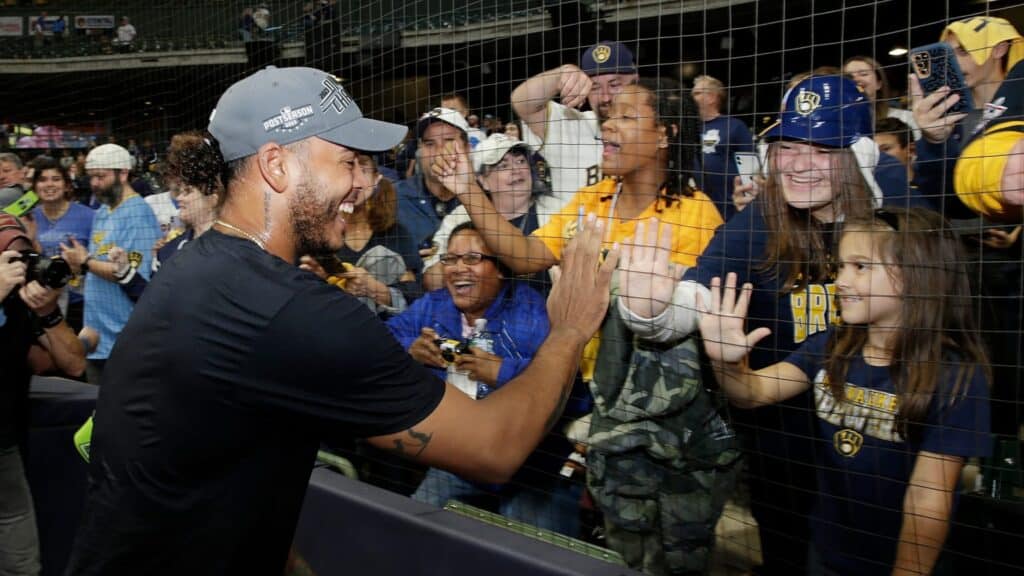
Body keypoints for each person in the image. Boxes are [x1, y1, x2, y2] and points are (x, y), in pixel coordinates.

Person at [64, 65, 617, 575]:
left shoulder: (204, 268)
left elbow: (219, 470)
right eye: (347, 162)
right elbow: (494, 448)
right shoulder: (287, 308)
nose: (365, 183)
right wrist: (569, 329)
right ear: (277, 165)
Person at [617, 74, 925, 575]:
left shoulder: (895, 218)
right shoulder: (757, 222)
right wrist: (650, 310)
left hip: (886, 447)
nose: (799, 165)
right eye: (786, 147)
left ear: (857, 157)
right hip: (785, 448)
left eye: (822, 149)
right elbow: (697, 295)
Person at [700, 207, 991, 575]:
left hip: (902, 562)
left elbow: (929, 499)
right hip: (827, 553)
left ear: (916, 274)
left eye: (861, 266)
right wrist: (727, 363)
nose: (841, 280)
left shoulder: (955, 376)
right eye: (841, 266)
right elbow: (752, 393)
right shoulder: (832, 347)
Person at [389, 223, 583, 537]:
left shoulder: (533, 315)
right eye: (450, 259)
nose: (457, 269)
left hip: (534, 468)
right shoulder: (435, 305)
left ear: (501, 269)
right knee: (412, 532)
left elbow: (575, 392)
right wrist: (410, 349)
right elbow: (386, 338)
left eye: (472, 258)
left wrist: (503, 372)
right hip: (462, 458)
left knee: (533, 554)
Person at [0, 212, 86, 576]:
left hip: (6, 447)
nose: (19, 265)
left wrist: (49, 312)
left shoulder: (21, 300)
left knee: (21, 564)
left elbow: (74, 365)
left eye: (24, 256)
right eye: (10, 256)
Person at [58, 144, 161, 384]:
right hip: (97, 336)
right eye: (91, 177)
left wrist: (85, 261)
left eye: (101, 176)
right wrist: (78, 263)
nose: (94, 183)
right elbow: (95, 265)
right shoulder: (103, 211)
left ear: (123, 173)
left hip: (125, 339)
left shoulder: (138, 213)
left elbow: (128, 274)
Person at [511, 41, 639, 223]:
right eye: (594, 87)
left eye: (614, 84)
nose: (605, 97)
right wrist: (560, 75)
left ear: (635, 81)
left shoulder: (650, 135)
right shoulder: (570, 122)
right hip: (558, 244)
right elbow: (521, 102)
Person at [911, 16, 1024, 216]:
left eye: (963, 51)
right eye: (947, 55)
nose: (953, 64)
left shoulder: (1018, 110)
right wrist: (934, 142)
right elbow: (936, 197)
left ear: (999, 49)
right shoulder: (943, 115)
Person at [422, 133, 549, 292]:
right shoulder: (459, 218)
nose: (516, 170)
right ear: (482, 180)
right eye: (503, 165)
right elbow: (430, 282)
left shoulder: (556, 210)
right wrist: (463, 257)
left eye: (521, 161)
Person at [303, 154, 422, 317]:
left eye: (364, 169)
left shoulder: (396, 233)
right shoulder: (316, 232)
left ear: (377, 178)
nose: (356, 179)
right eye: (349, 166)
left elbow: (413, 297)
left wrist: (375, 289)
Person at [30, 159, 95, 332]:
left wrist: (81, 263)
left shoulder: (89, 216)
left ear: (67, 186)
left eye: (56, 179)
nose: (49, 184)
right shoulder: (28, 218)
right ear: (35, 187)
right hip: (39, 301)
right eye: (43, 179)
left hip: (79, 303)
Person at [396, 107, 471, 250]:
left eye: (448, 141)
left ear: (467, 148)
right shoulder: (395, 199)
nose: (438, 152)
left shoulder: (484, 201)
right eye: (429, 144)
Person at [692, 74, 754, 220]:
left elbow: (750, 168)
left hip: (730, 207)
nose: (692, 97)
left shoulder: (734, 126)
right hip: (698, 206)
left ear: (712, 97)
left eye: (697, 93)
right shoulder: (690, 128)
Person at [844, 55, 921, 140]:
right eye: (849, 76)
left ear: (879, 84)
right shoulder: (838, 123)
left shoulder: (905, 118)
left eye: (863, 74)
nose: (856, 79)